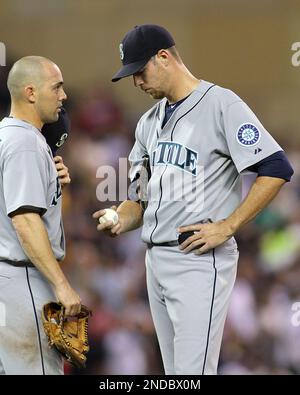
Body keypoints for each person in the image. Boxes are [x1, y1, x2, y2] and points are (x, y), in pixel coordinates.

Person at [93, 25, 294, 375]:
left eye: (140, 71)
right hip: (154, 260)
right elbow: (138, 198)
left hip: (197, 259)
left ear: (164, 57)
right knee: (175, 374)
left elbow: (276, 167)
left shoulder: (221, 104)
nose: (136, 82)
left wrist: (228, 226)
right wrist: (119, 218)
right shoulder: (147, 123)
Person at [0, 56, 81, 375]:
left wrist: (50, 182)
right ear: (30, 92)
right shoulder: (25, 143)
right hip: (24, 278)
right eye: (56, 87)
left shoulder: (6, 135)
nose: (63, 95)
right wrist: (61, 285)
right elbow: (25, 220)